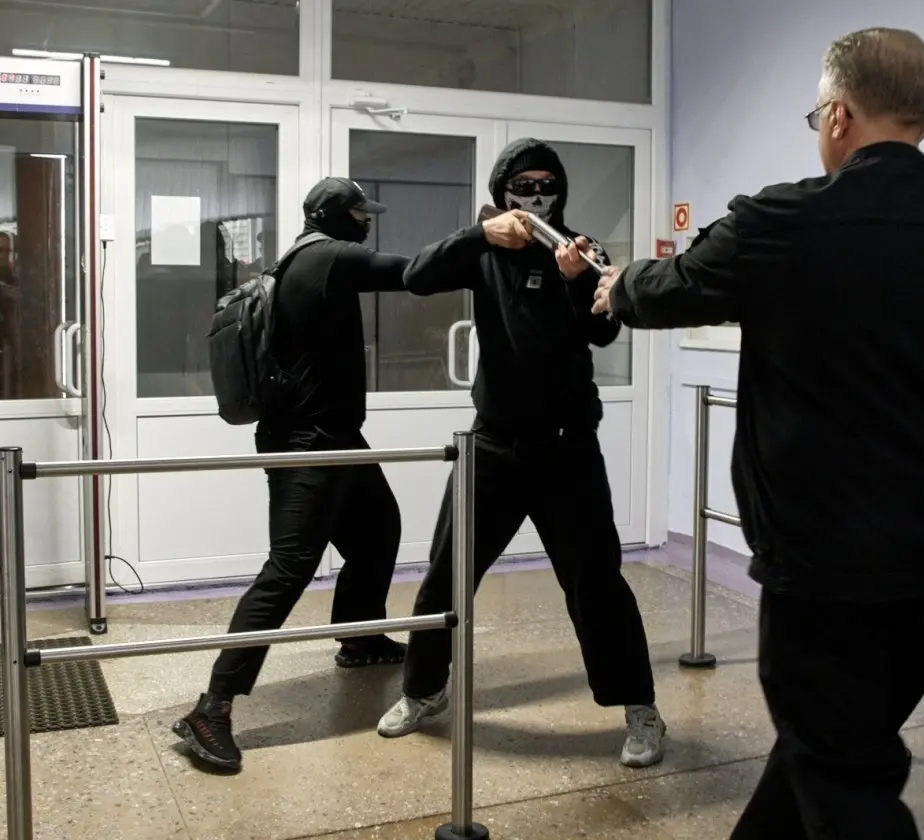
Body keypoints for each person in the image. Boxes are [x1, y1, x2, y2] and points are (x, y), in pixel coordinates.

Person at [592, 27, 924, 838]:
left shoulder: (782, 222)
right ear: (920, 119)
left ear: (837, 116)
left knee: (841, 772)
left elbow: (669, 290)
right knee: (833, 739)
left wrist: (617, 285)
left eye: (818, 118)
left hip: (825, 564)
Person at [376, 138, 666, 768]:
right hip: (493, 446)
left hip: (567, 449)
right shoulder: (485, 248)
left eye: (546, 184)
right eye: (523, 185)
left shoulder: (581, 248)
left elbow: (603, 329)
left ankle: (639, 707)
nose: (536, 195)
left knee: (596, 584)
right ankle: (423, 690)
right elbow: (416, 276)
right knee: (446, 578)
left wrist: (575, 280)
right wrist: (480, 234)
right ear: (503, 190)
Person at [174, 178, 422, 773]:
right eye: (361, 213)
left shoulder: (303, 259)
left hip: (334, 437)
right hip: (308, 443)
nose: (368, 222)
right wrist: (483, 240)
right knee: (288, 569)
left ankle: (359, 637)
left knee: (377, 530)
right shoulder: (326, 257)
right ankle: (211, 709)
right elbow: (411, 271)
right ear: (335, 215)